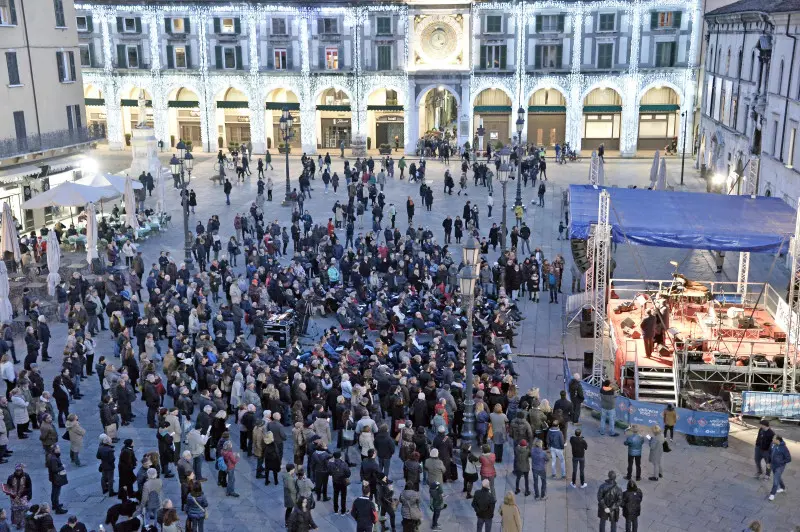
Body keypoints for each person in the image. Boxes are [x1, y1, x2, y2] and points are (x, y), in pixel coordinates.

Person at [46, 445, 68, 514]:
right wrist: (62, 467)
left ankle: (55, 505)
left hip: (53, 477)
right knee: (56, 493)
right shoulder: (54, 458)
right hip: (56, 478)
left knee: (54, 492)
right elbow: (54, 469)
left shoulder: (51, 456)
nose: (59, 449)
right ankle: (58, 509)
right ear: (55, 450)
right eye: (58, 448)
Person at [769, 435, 791, 501]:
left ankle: (772, 494)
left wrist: (780, 462)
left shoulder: (784, 448)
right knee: (778, 477)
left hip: (780, 467)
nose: (772, 439)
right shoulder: (773, 444)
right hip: (773, 465)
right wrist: (768, 462)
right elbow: (770, 453)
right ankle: (783, 487)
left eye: (773, 439)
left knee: (775, 480)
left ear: (777, 440)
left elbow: (788, 459)